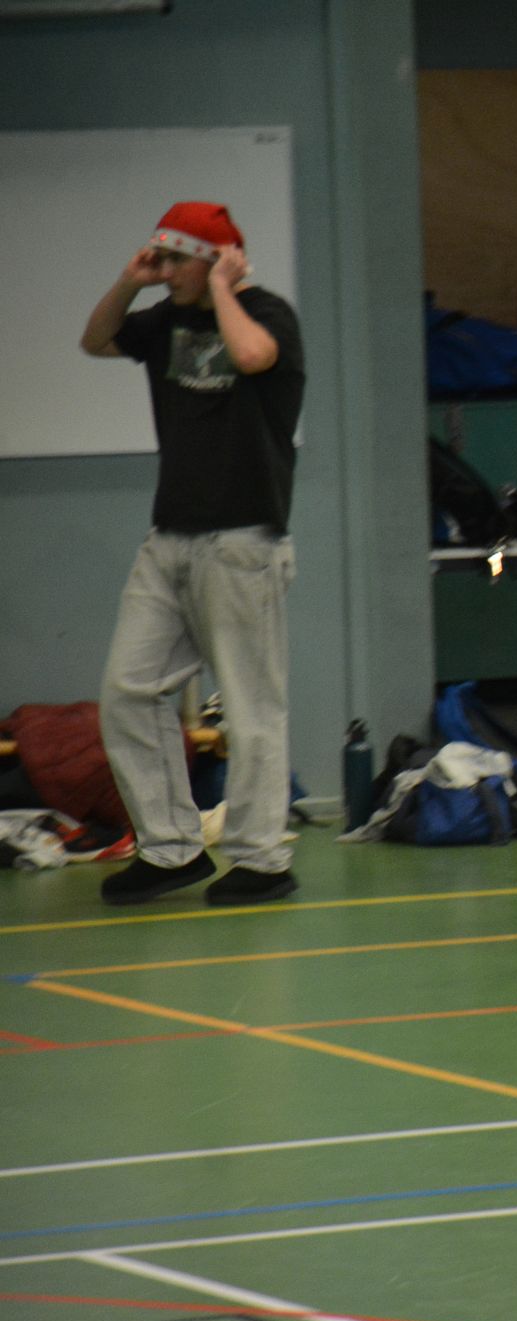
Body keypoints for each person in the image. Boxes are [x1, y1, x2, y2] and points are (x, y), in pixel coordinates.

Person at [81, 202, 306, 907]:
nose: (167, 269)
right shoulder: (163, 321)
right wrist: (131, 280)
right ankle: (171, 848)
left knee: (250, 705)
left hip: (242, 543)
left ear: (216, 259)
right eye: (163, 257)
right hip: (169, 537)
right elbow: (96, 339)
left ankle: (262, 859)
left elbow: (253, 357)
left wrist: (220, 289)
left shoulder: (266, 314)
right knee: (129, 690)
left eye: (178, 258)